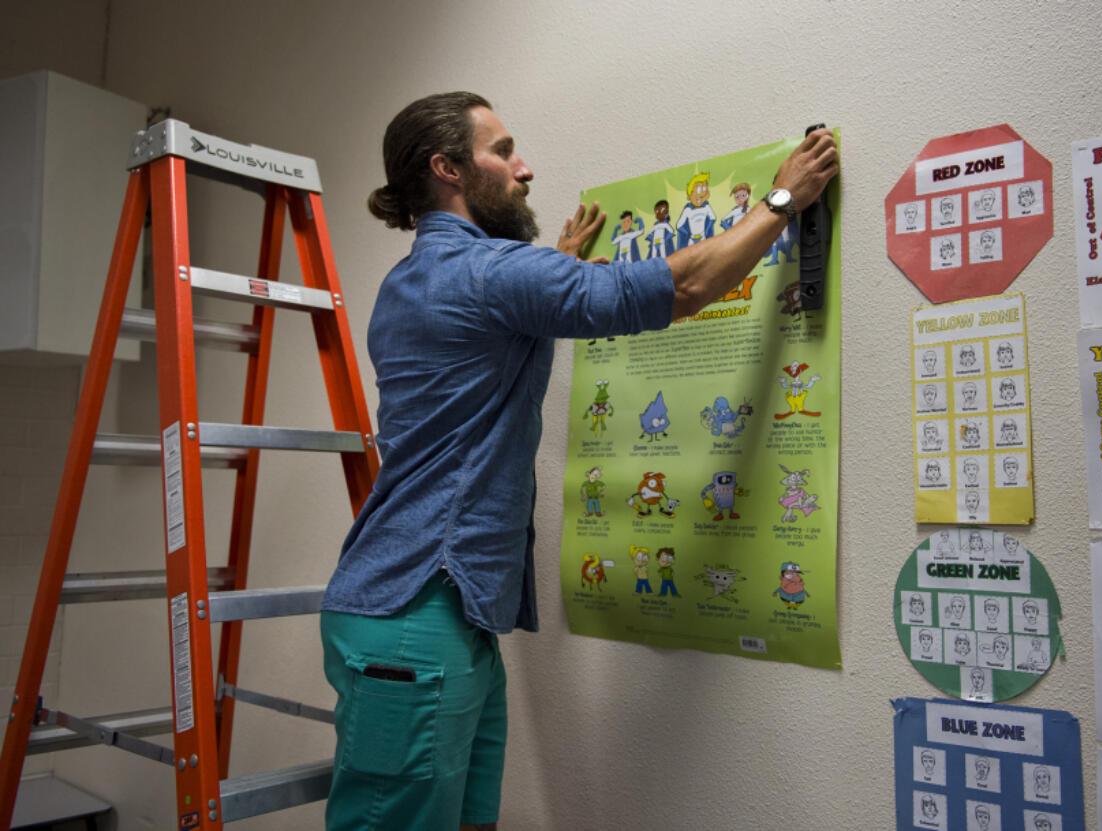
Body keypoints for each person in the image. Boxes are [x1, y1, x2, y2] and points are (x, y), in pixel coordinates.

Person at [318, 91, 838, 831]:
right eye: (501, 150)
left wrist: (553, 270)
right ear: (447, 169)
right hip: (416, 615)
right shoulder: (491, 275)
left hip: (435, 613)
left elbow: (483, 344)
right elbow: (683, 285)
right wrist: (785, 197)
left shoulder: (412, 281)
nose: (524, 168)